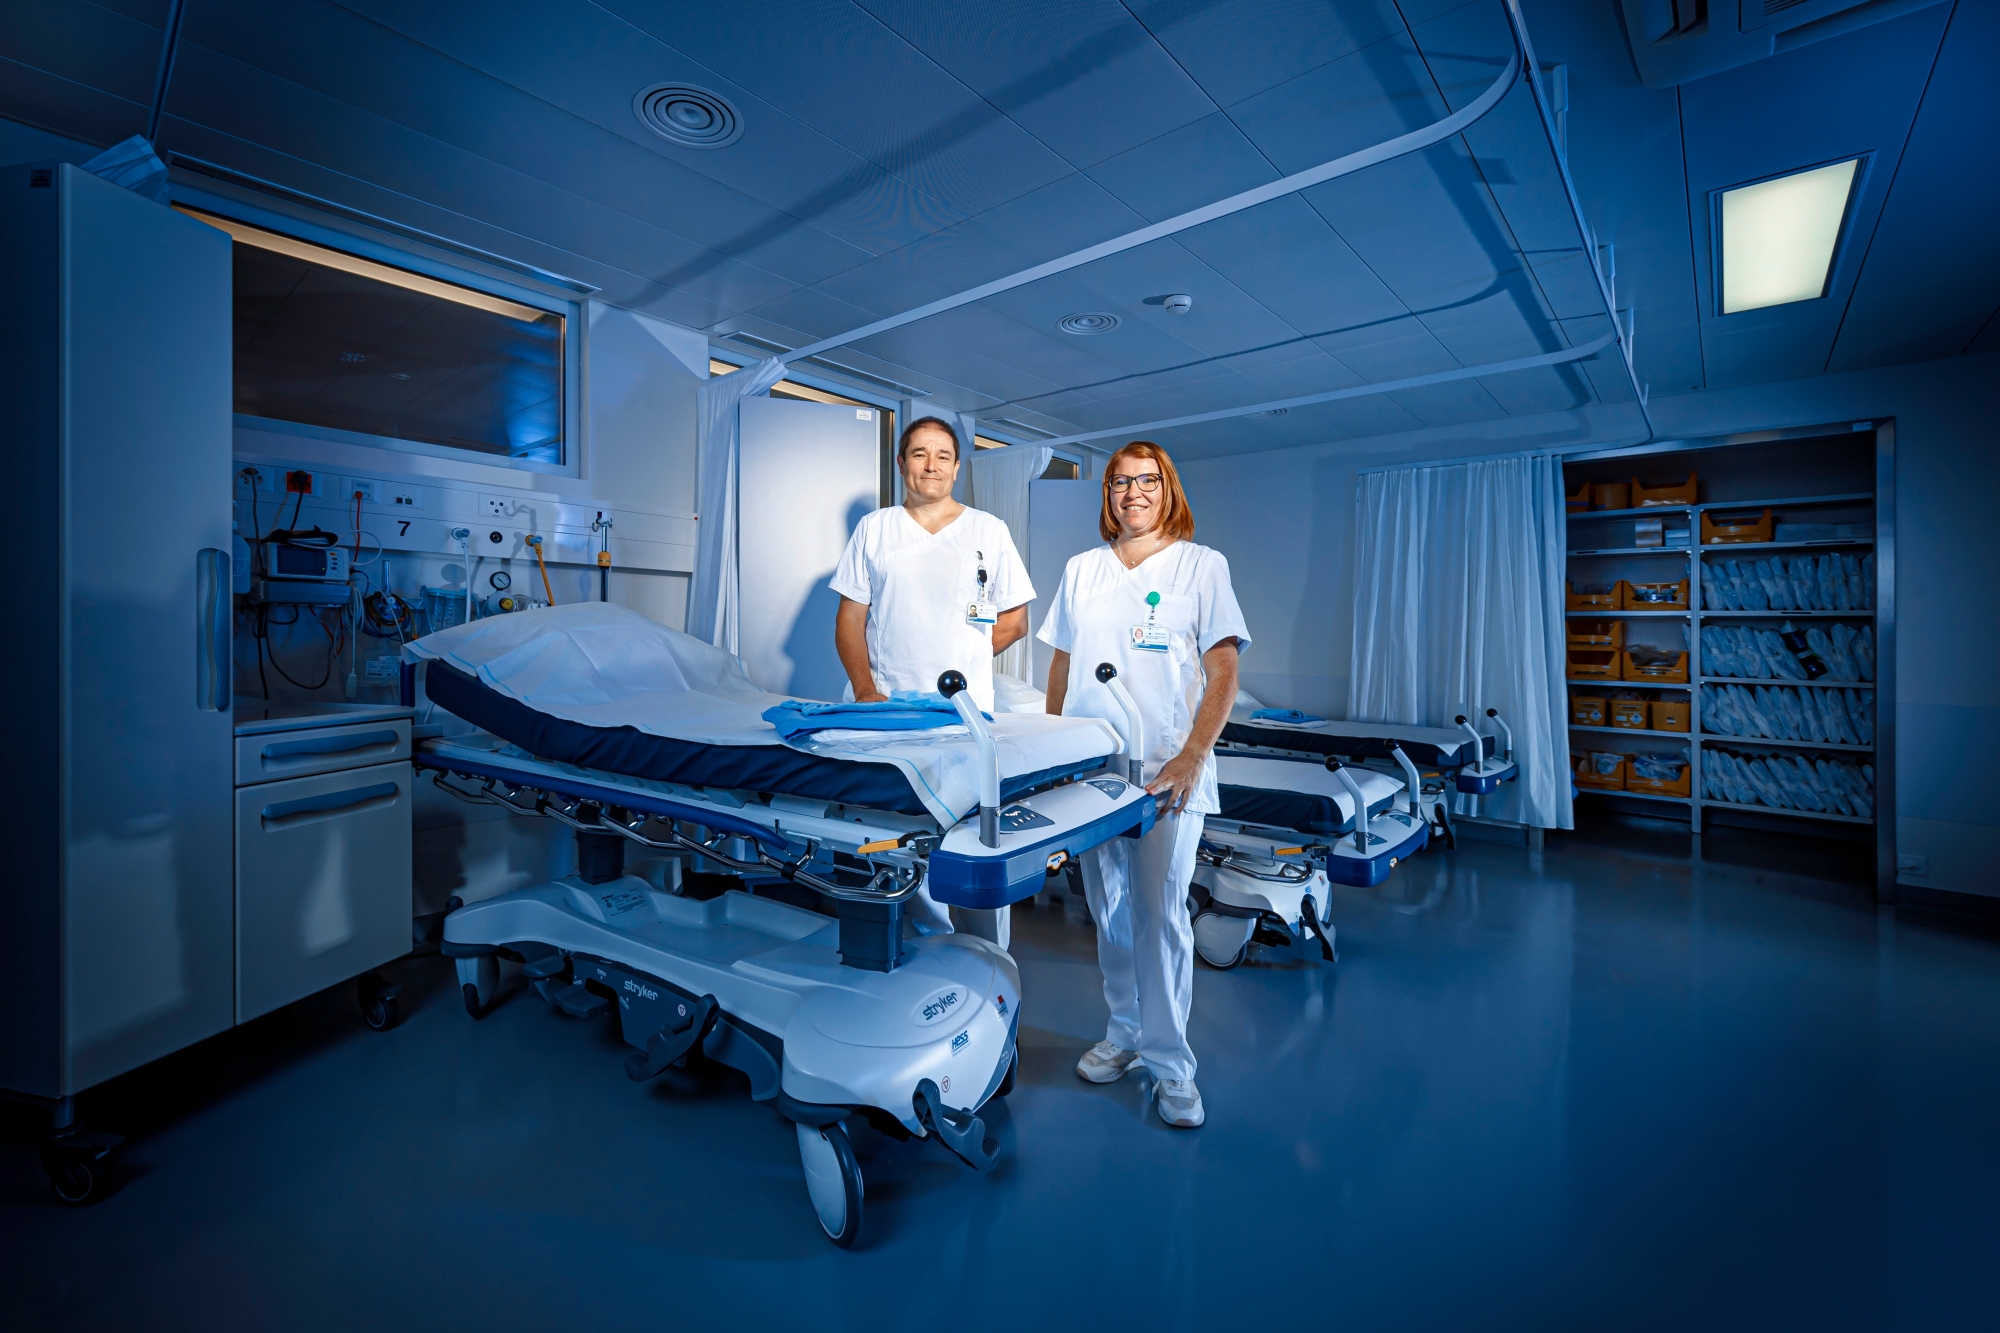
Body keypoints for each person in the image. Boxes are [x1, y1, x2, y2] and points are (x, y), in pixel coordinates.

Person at [1036, 441, 1247, 1129]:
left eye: (1146, 480)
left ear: (1167, 487)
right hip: (1092, 773)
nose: (1133, 492)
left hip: (1165, 772)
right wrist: (1052, 753)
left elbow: (1222, 676)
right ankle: (1124, 1031)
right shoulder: (1082, 570)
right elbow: (1062, 671)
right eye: (1121, 481)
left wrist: (1190, 756)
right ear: (1108, 494)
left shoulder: (1201, 565)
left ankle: (1172, 1065)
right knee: (1111, 910)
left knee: (1161, 918)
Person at [830, 415, 1034, 942]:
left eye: (942, 456)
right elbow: (850, 620)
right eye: (919, 454)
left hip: (966, 715)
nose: (931, 466)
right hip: (892, 711)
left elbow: (1016, 620)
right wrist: (866, 691)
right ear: (901, 464)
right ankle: (927, 960)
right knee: (904, 842)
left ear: (957, 467)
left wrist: (963, 656)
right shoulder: (875, 529)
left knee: (978, 836)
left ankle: (990, 960)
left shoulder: (989, 530)